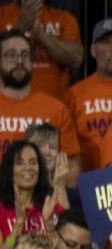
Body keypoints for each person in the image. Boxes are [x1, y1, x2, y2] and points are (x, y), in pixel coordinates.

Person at [0, 30, 81, 181]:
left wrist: (54, 180)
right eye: (11, 55)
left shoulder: (55, 109)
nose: (19, 61)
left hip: (42, 199)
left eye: (25, 55)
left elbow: (71, 164)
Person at [0, 0, 83, 96]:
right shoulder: (2, 16)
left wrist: (40, 35)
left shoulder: (64, 18)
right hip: (8, 110)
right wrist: (20, 27)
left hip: (54, 110)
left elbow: (77, 58)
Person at [64, 18, 112, 171]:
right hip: (90, 185)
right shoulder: (74, 95)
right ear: (93, 50)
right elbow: (62, 151)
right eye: (106, 42)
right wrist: (60, 181)